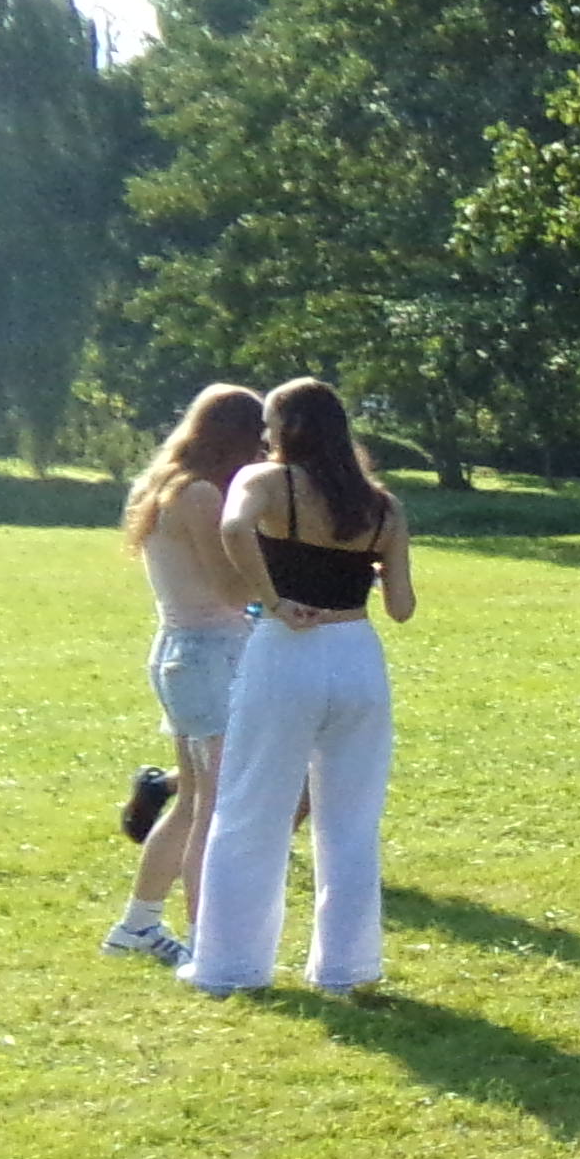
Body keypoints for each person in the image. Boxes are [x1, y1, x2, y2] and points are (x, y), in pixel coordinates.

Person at [185, 376, 414, 1000]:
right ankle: (346, 969)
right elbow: (401, 607)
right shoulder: (383, 506)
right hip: (358, 656)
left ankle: (229, 967)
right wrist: (369, 565)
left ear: (284, 428)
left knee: (250, 809)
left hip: (287, 651)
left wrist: (272, 599)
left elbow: (235, 528)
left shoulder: (265, 481)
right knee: (351, 822)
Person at [108, 382, 266, 967]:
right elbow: (232, 588)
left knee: (192, 801)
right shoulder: (199, 494)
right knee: (215, 810)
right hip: (209, 654)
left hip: (181, 652)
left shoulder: (161, 484)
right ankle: (208, 943)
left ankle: (137, 925)